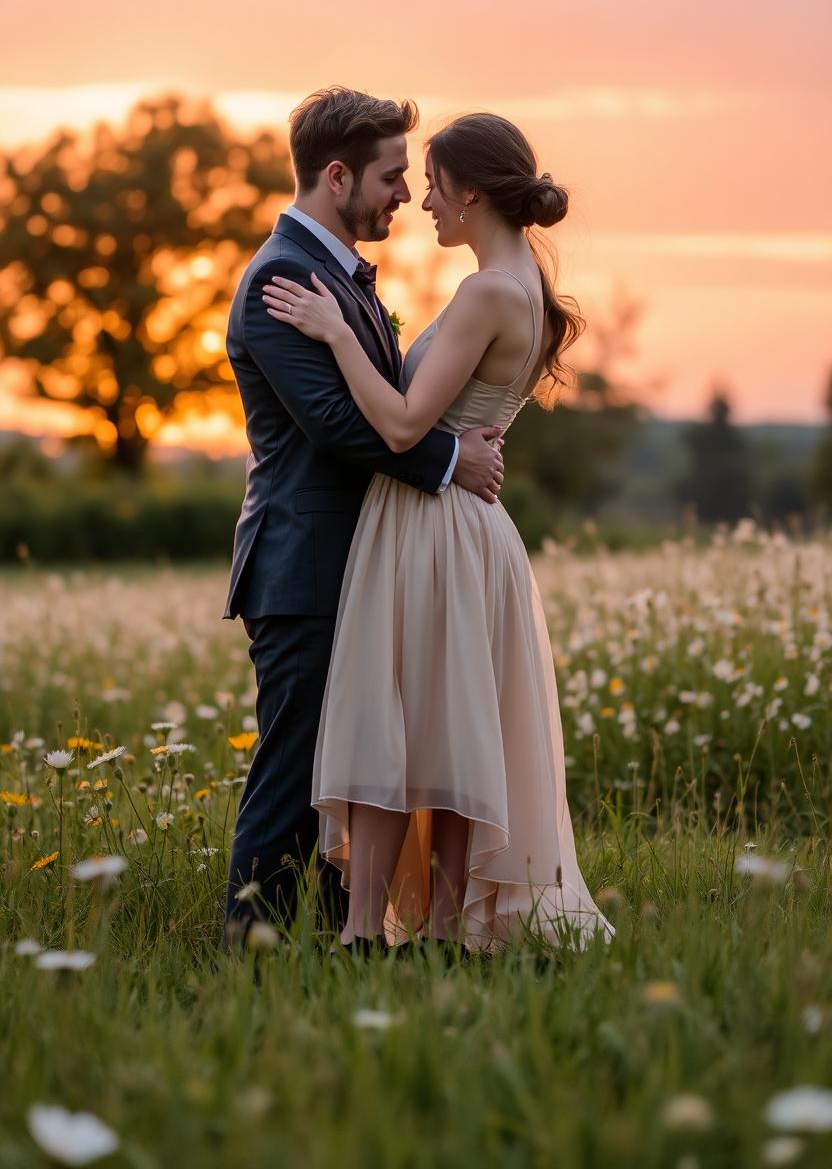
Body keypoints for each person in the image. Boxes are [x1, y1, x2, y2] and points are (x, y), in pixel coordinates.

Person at [262, 112, 614, 956]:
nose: (422, 199)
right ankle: (445, 931)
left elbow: (400, 424)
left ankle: (365, 934)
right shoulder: (522, 283)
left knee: (396, 723)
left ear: (474, 192)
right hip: (466, 527)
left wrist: (338, 332)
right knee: (449, 729)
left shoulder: (489, 291)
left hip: (430, 527)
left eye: (433, 184)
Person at [222, 89, 505, 946]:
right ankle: (252, 947)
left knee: (333, 769)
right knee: (295, 763)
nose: (401, 196)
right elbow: (338, 426)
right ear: (336, 175)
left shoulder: (337, 275)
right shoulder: (280, 276)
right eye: (388, 177)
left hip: (352, 559)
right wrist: (453, 460)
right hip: (301, 565)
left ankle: (317, 942)